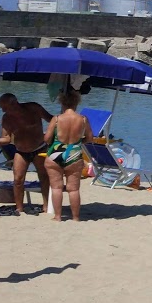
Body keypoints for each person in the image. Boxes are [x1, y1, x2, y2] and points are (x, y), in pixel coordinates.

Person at [0, 92, 53, 215]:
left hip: (39, 148)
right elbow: (7, 138)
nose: (3, 110)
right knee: (18, 179)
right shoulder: (7, 118)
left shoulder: (34, 108)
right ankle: (19, 208)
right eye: (1, 107)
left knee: (44, 178)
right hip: (21, 151)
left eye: (4, 106)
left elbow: (52, 120)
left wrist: (50, 135)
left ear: (14, 103)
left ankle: (46, 205)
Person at [42, 87, 92, 222]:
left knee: (56, 187)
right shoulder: (83, 119)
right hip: (74, 154)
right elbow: (89, 138)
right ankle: (75, 217)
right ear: (77, 102)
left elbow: (46, 139)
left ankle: (58, 216)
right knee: (73, 189)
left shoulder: (57, 119)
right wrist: (79, 142)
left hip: (55, 153)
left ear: (62, 102)